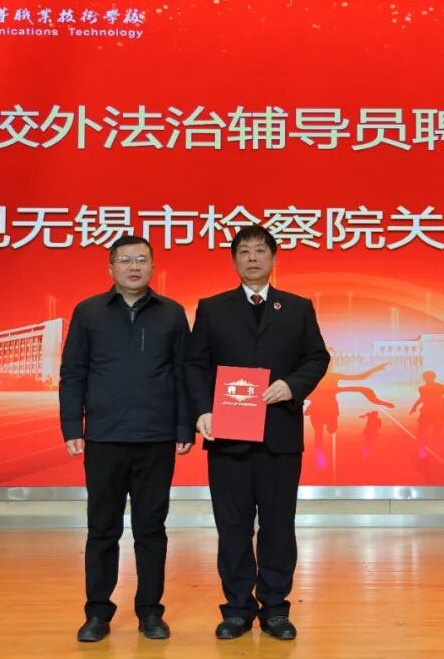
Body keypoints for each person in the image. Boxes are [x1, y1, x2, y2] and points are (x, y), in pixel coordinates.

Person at [185, 225, 330, 642]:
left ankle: (275, 609)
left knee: (278, 526)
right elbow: (195, 364)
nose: (252, 258)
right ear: (234, 260)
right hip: (227, 435)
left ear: (274, 258)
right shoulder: (212, 308)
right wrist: (202, 410)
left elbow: (317, 357)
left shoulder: (297, 308)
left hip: (278, 435)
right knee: (232, 526)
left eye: (260, 251)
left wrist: (292, 385)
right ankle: (236, 609)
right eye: (244, 251)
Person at [58, 235, 193, 643]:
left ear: (153, 267)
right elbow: (73, 373)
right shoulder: (88, 312)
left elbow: (183, 374)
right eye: (125, 260)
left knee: (151, 529)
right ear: (111, 268)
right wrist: (72, 426)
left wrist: (183, 427)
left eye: (142, 260)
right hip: (105, 438)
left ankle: (150, 612)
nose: (134, 267)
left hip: (156, 437)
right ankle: (97, 612)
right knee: (102, 528)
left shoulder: (172, 313)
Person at [409, 370, 444, 459]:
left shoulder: (424, 388)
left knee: (425, 431)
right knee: (433, 431)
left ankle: (424, 449)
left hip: (431, 412)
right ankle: (432, 448)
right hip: (434, 412)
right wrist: (414, 407)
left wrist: (414, 407)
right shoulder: (438, 387)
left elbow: (422, 399)